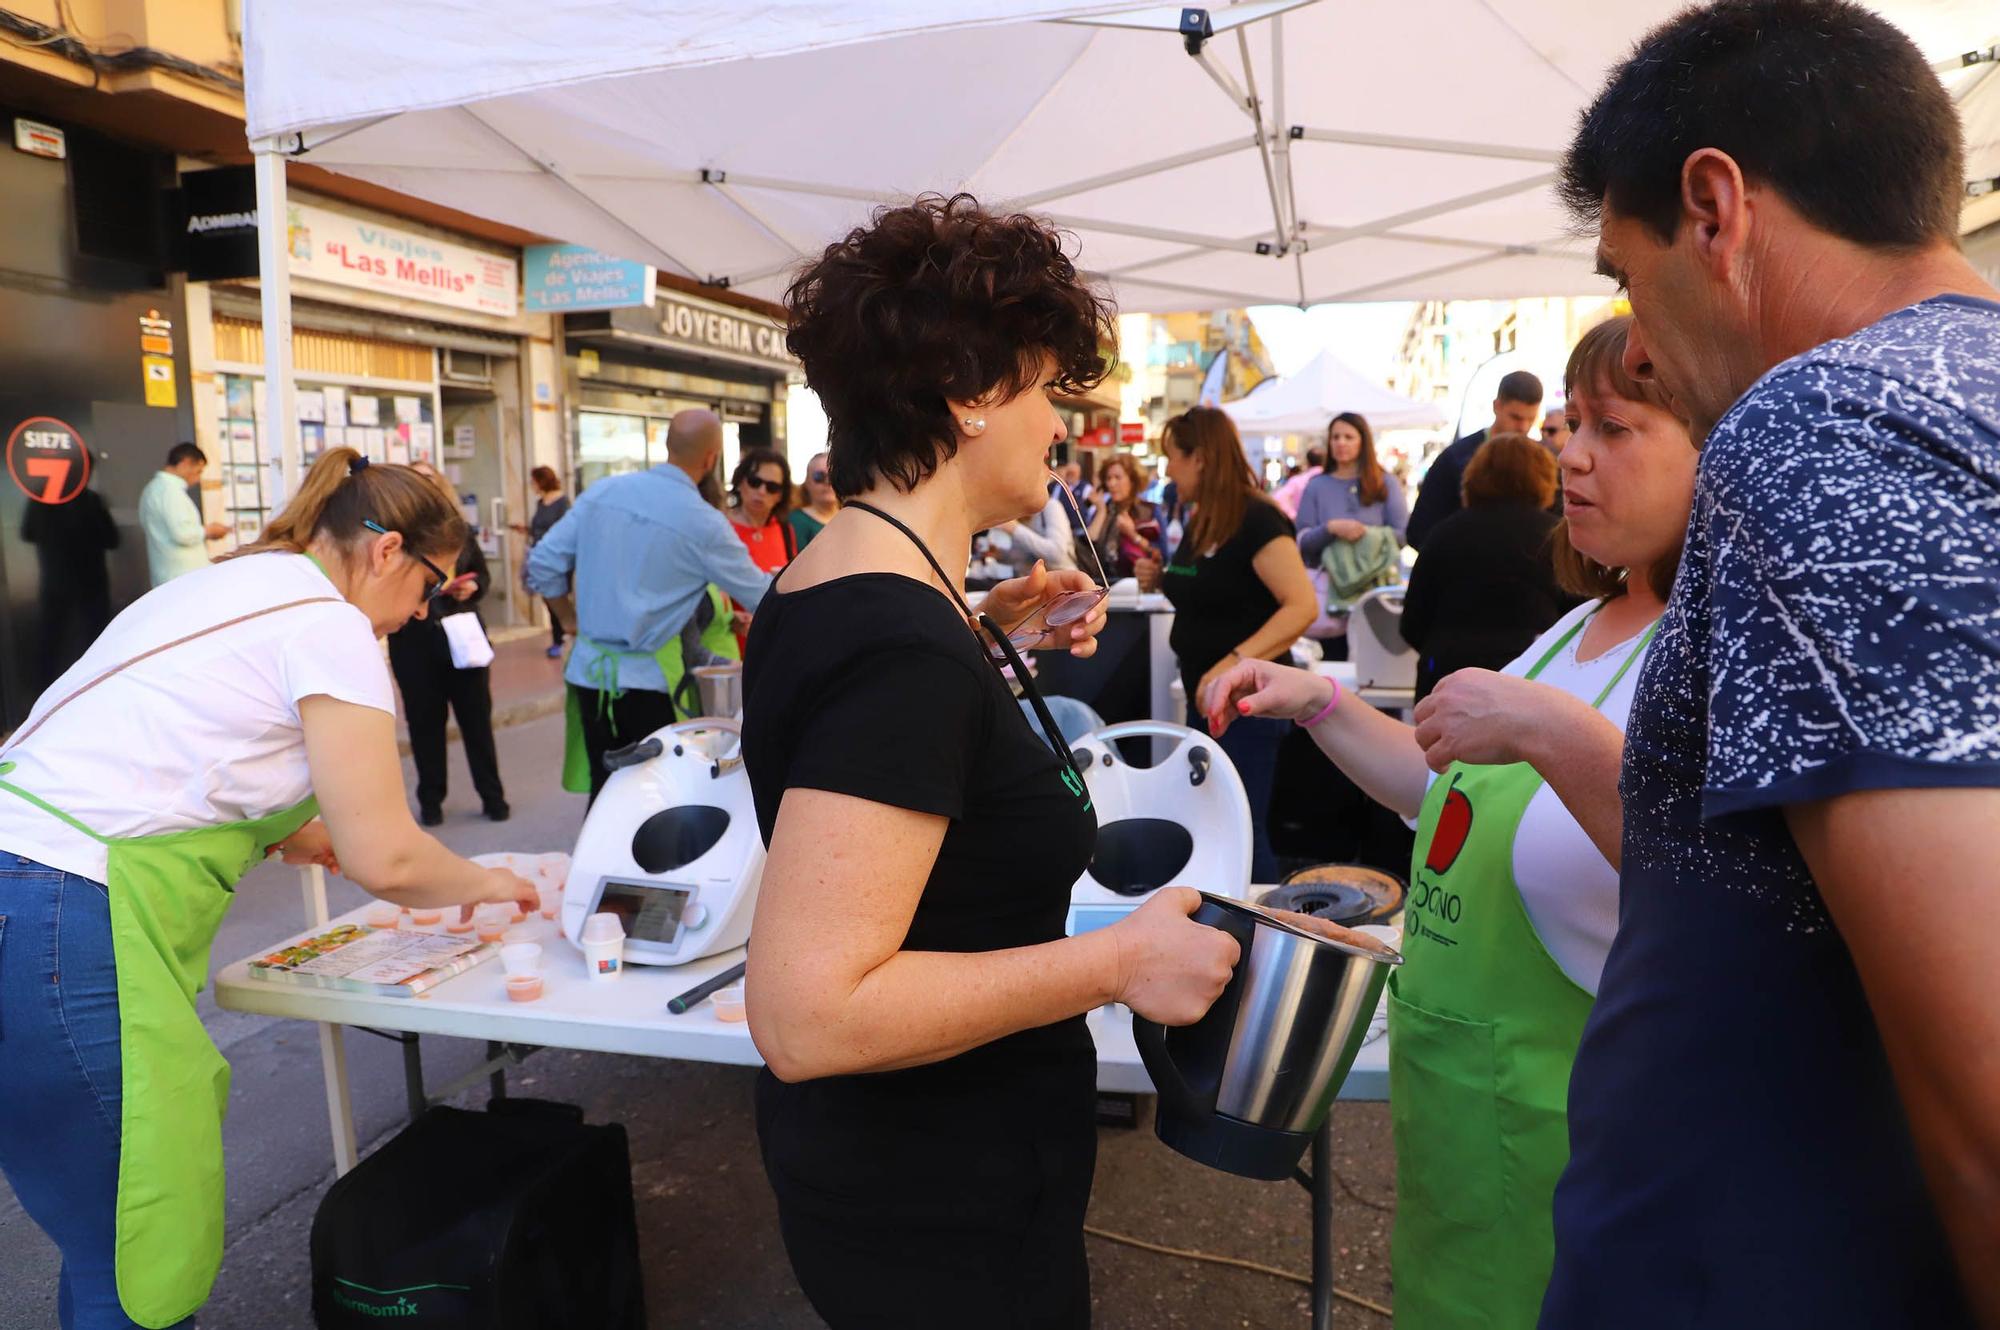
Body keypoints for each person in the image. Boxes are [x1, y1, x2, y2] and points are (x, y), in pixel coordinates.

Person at [1545, 2, 2000, 1323]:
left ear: (1715, 208)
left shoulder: (1824, 417)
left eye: (1628, 276)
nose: (1633, 342)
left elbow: (1984, 1086)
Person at [741, 194, 1255, 1329]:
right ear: (971, 394)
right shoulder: (897, 641)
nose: (1058, 425)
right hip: (937, 1197)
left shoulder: (844, 583)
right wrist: (1114, 961)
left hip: (911, 1175)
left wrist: (984, 636)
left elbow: (882, 747)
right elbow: (806, 1014)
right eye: (1042, 388)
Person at [1201, 315, 1698, 1330]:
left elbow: (1713, 883)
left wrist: (1549, 730)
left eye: (1613, 427)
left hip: (1578, 1170)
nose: (1567, 453)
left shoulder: (1711, 653)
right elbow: (1446, 797)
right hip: (1456, 1151)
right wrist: (1316, 703)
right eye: (1568, 425)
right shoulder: (1573, 630)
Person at [0, 448, 538, 1330]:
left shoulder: (227, 585)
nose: (416, 615)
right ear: (387, 550)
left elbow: (162, 750)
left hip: (19, 885)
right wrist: (489, 879)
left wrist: (287, 828)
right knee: (138, 1254)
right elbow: (391, 860)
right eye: (429, 588)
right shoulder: (331, 627)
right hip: (63, 914)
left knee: (98, 1240)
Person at [524, 409, 771, 797]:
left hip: (590, 674)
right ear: (711, 459)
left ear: (667, 446)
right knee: (652, 801)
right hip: (648, 683)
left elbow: (541, 563)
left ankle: (596, 859)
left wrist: (568, 618)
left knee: (606, 796)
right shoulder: (703, 522)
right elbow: (761, 595)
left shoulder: (605, 491)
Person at [1136, 406, 1317, 884]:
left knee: (1243, 829)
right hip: (1210, 700)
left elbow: (1301, 607)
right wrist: (1161, 578)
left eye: (1172, 457)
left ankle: (1261, 941)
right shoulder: (1203, 521)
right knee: (1214, 828)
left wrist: (1231, 665)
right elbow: (1209, 592)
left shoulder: (1258, 519)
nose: (1168, 470)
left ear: (1201, 457)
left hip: (1246, 705)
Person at [1399, 434, 1573, 700]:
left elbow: (1412, 623)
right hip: (1531, 680)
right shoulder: (1556, 537)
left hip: (1447, 677)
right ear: (1545, 478)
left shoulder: (1443, 534)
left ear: (1475, 475)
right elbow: (1578, 617)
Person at [388, 461, 507, 826]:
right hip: (414, 641)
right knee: (425, 726)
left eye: (429, 479)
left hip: (463, 635)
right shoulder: (393, 539)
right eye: (415, 481)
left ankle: (493, 797)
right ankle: (431, 800)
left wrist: (473, 588)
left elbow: (483, 577)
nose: (423, 487)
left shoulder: (459, 532)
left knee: (477, 723)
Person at [1294, 413, 1410, 660]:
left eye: (1348, 437)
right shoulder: (1317, 485)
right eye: (1335, 437)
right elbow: (1302, 541)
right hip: (1330, 598)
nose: (1341, 443)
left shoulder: (1384, 483)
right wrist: (1331, 528)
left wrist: (1365, 536)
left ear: (1363, 442)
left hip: (1375, 596)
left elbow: (1402, 534)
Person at [1404, 370, 1544, 549]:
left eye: (1530, 419)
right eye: (1515, 417)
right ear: (1497, 406)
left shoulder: (1541, 462)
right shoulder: (1455, 459)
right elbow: (1420, 530)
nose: (1523, 427)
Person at [21, 467, 119, 693]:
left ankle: (45, 696)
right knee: (94, 642)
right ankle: (92, 691)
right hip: (90, 582)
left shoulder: (41, 500)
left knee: (51, 641)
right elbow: (112, 539)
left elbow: (27, 533)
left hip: (55, 581)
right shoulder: (91, 500)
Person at [727, 447, 798, 651]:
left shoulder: (785, 530)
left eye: (772, 487)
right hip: (729, 645)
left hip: (773, 645)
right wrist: (725, 617)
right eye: (754, 482)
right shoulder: (721, 528)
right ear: (740, 482)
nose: (761, 492)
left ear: (780, 495)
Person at [139, 442, 228, 586]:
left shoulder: (152, 489)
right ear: (185, 463)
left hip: (167, 572)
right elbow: (182, 534)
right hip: (182, 576)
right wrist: (209, 531)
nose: (198, 478)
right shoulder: (170, 492)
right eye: (198, 471)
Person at [511, 464, 571, 659]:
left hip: (555, 557)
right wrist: (526, 530)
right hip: (538, 554)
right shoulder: (540, 503)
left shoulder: (562, 502)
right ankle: (559, 635)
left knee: (556, 595)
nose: (532, 485)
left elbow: (563, 530)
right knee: (546, 595)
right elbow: (538, 527)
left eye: (533, 481)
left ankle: (560, 636)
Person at [1083, 452, 1159, 579]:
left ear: (1133, 480)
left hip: (1135, 585)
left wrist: (1133, 535)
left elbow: (1161, 555)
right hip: (1103, 583)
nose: (1112, 484)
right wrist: (1101, 512)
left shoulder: (1148, 510)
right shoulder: (1104, 510)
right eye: (1108, 478)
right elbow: (1088, 547)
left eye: (1118, 478)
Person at [788, 451, 840, 550]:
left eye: (833, 476)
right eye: (819, 476)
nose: (827, 482)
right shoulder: (796, 521)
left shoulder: (851, 516)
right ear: (807, 483)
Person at [1271, 442, 1325, 519]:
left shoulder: (1297, 481)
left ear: (1307, 462)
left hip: (1304, 525)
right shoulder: (1332, 480)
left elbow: (1278, 498)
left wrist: (1294, 515)